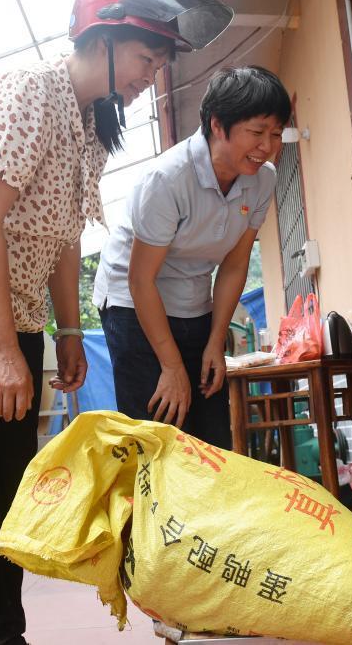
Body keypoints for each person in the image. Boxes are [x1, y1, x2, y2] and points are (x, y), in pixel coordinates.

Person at [0, 0, 231, 644]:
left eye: (160, 64)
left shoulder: (88, 125)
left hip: (12, 317)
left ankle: (1, 632)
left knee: (10, 481)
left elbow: (61, 234)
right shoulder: (27, 93)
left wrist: (66, 329)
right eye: (145, 59)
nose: (150, 75)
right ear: (100, 39)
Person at [94, 65, 292, 449]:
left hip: (193, 301)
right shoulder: (168, 179)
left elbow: (235, 266)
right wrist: (171, 366)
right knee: (157, 432)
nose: (267, 146)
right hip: (132, 301)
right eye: (256, 132)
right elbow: (140, 280)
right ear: (218, 125)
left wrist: (215, 342)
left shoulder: (262, 179)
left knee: (209, 436)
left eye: (276, 134)